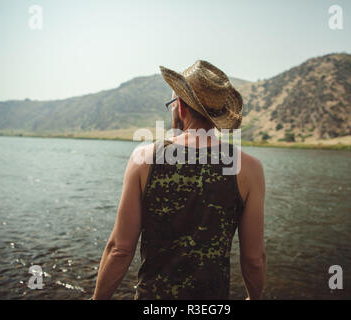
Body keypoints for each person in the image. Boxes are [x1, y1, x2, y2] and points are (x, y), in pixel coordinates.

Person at [92, 60, 266, 300]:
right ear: (217, 115)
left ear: (180, 107)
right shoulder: (250, 169)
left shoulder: (143, 159)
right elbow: (254, 259)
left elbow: (120, 250)